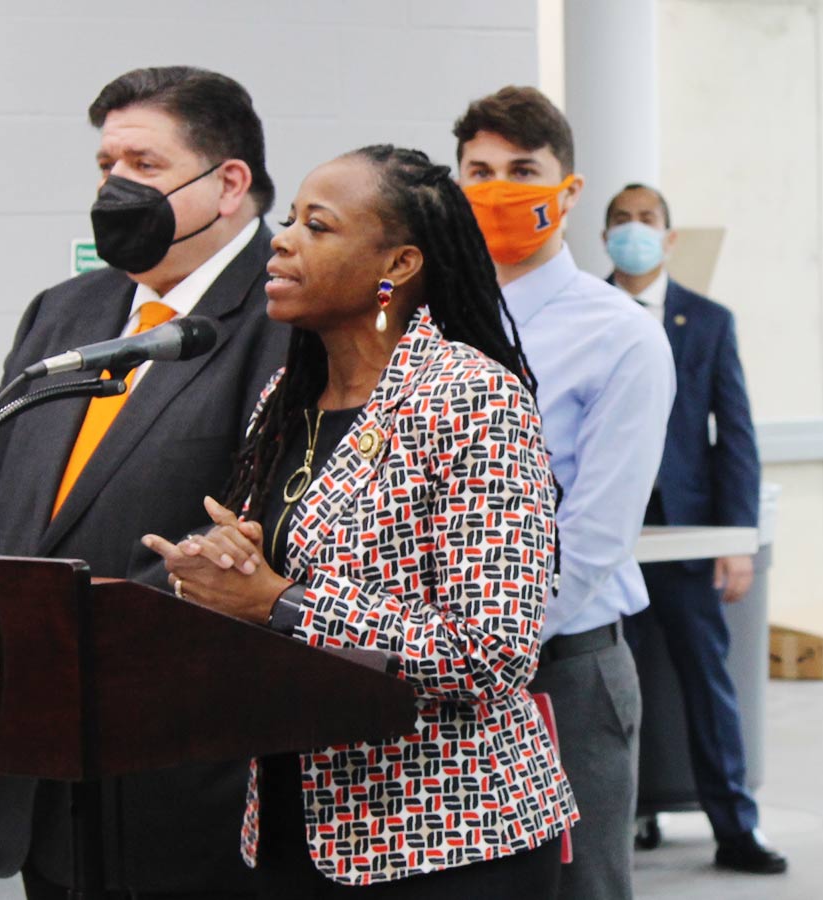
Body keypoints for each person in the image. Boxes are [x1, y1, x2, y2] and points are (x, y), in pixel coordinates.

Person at [142, 144, 576, 896]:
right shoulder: (288, 398)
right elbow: (281, 578)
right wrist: (223, 570)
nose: (282, 239)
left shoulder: (472, 398)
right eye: (289, 221)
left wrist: (281, 602)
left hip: (445, 841)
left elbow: (493, 651)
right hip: (290, 825)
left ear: (398, 266)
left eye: (319, 226)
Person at [0, 66, 289, 898]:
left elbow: (261, 523)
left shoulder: (285, 320)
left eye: (144, 164)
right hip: (39, 746)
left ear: (229, 184)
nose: (116, 186)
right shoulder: (65, 311)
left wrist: (82, 637)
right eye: (106, 166)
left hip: (180, 761)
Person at [453, 86, 676, 900]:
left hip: (559, 673)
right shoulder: (422, 322)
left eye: (523, 170)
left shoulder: (619, 335)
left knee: (573, 889)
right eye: (479, 171)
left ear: (568, 190)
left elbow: (595, 537)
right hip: (428, 672)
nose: (499, 188)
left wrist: (480, 644)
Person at [603, 184, 784, 875]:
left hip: (686, 536)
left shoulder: (706, 322)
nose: (633, 231)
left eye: (647, 220)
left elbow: (732, 436)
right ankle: (625, 820)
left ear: (670, 238)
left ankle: (736, 828)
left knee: (707, 684)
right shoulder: (581, 314)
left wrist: (737, 539)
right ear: (603, 238)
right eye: (621, 221)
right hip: (603, 538)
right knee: (609, 688)